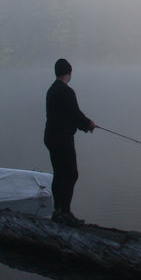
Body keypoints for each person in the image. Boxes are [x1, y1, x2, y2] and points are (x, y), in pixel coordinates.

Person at [44, 58, 95, 226]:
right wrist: (88, 124)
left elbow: (67, 115)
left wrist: (84, 124)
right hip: (62, 138)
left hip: (51, 136)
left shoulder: (52, 90)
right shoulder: (66, 91)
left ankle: (58, 211)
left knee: (59, 173)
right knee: (71, 174)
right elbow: (74, 114)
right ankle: (65, 213)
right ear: (69, 73)